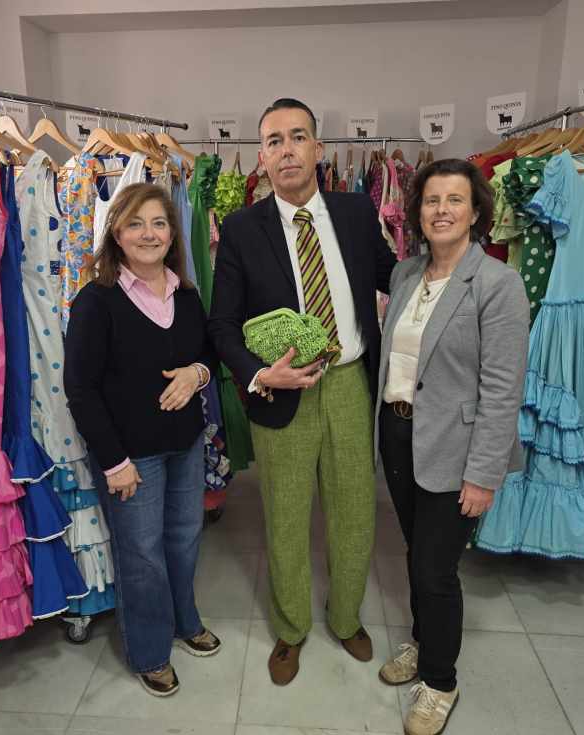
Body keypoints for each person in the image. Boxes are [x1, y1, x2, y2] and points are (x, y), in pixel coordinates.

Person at [209, 98, 398, 685]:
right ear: (261, 158)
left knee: (353, 511)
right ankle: (291, 630)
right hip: (280, 390)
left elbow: (393, 276)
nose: (286, 149)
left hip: (347, 382)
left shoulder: (355, 211)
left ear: (318, 148)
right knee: (285, 516)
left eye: (297, 137)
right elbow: (221, 323)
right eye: (273, 141)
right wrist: (261, 375)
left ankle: (345, 618)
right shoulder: (242, 229)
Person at [374, 159, 529, 735]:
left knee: (436, 570)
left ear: (476, 212)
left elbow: (502, 386)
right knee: (418, 554)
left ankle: (440, 681)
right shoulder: (406, 274)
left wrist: (483, 474)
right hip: (399, 433)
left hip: (456, 447)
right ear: (416, 212)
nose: (441, 209)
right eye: (431, 199)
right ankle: (424, 640)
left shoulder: (497, 283)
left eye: (455, 200)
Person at [64, 183, 220, 697]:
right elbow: (80, 388)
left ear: (173, 232)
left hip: (186, 443)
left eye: (158, 222)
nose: (148, 233)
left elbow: (210, 358)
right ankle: (150, 651)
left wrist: (196, 374)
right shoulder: (98, 300)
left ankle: (184, 620)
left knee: (184, 539)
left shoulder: (188, 294)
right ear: (116, 231)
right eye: (136, 223)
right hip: (133, 455)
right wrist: (114, 462)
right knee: (143, 554)